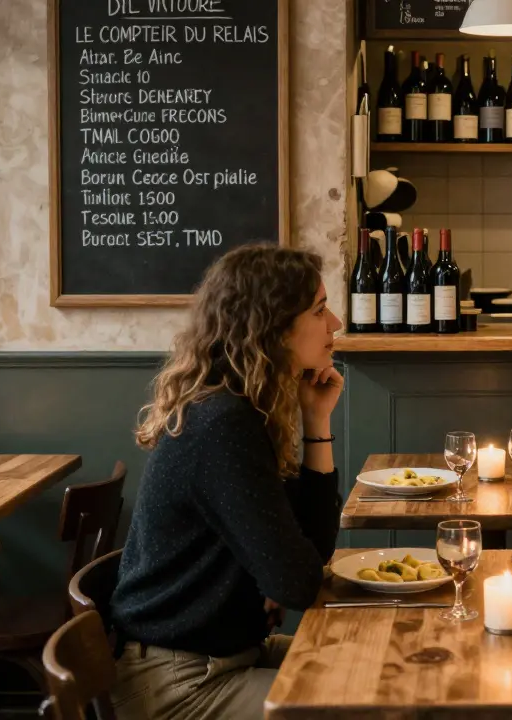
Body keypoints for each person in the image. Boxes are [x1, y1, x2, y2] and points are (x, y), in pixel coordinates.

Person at [108, 244, 345, 719]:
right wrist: (279, 577)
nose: (335, 323)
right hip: (182, 683)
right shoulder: (222, 425)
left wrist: (316, 422)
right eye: (319, 310)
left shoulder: (242, 411)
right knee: (364, 704)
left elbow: (310, 556)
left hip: (227, 655)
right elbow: (297, 583)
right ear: (273, 326)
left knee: (375, 670)